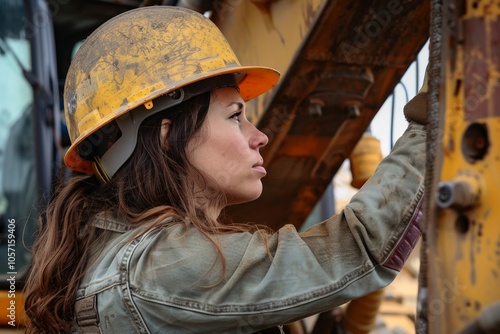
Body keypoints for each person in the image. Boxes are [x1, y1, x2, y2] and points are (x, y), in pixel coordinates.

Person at [24, 6, 427, 334]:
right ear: (167, 137)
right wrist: (436, 109)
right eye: (236, 116)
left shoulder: (113, 256)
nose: (261, 137)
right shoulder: (162, 268)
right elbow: (361, 249)